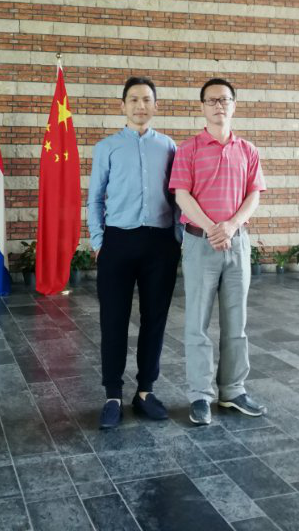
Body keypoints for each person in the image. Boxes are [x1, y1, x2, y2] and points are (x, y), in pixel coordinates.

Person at [169, 77, 267, 425]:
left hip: (237, 245)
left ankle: (233, 391)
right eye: (211, 100)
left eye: (224, 99)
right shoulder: (188, 149)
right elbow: (182, 195)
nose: (218, 105)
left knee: (236, 323)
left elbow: (253, 195)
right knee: (197, 323)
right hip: (200, 243)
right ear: (202, 107)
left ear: (234, 105)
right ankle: (200, 395)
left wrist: (232, 225)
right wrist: (213, 228)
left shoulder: (248, 150)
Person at [87, 76, 182, 429]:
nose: (141, 105)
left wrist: (176, 237)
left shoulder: (169, 146)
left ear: (156, 105)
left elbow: (177, 196)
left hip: (160, 244)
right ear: (123, 105)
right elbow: (95, 198)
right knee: (113, 319)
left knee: (155, 319)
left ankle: (145, 392)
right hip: (117, 242)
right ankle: (112, 395)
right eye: (134, 99)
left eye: (146, 99)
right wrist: (99, 242)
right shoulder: (107, 147)